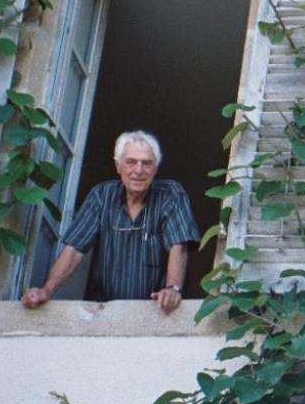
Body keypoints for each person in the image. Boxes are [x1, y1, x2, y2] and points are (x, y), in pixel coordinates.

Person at [22, 131, 199, 314]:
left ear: (155, 168)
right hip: (105, 311)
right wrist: (47, 290)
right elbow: (74, 249)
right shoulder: (101, 196)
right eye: (131, 162)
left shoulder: (171, 195)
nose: (138, 170)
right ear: (118, 166)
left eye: (146, 163)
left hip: (156, 312)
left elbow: (178, 245)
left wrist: (172, 289)